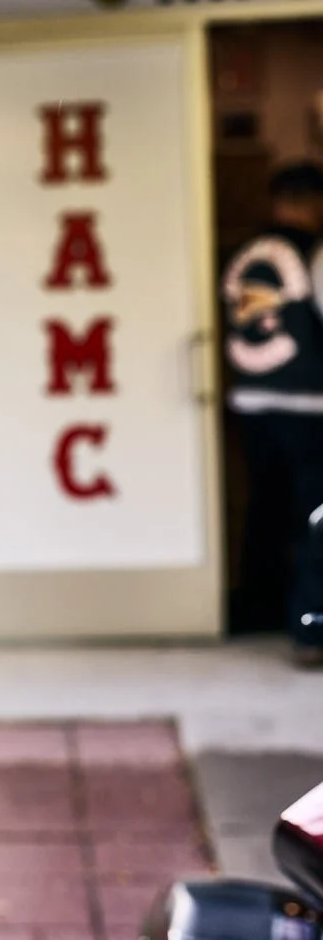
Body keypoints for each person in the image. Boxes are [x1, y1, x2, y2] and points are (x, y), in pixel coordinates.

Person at [222, 161, 323, 667]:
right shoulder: (312, 253)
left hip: (251, 399)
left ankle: (257, 609)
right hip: (307, 401)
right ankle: (310, 624)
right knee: (314, 514)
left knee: (266, 507)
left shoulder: (243, 253)